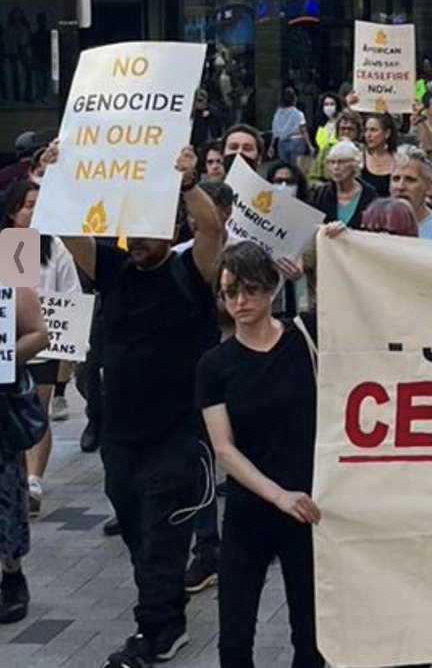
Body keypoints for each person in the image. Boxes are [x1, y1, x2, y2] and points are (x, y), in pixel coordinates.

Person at [45, 141, 224, 667]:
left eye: (151, 230)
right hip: (123, 439)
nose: (140, 241)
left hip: (178, 437)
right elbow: (72, 230)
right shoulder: (114, 268)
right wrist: (61, 176)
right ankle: (165, 613)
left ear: (173, 230)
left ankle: (157, 633)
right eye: (133, 230)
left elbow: (212, 230)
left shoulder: (191, 272)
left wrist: (189, 183)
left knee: (163, 538)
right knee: (140, 536)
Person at [197, 242, 321, 668]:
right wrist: (278, 495)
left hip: (309, 508)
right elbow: (224, 450)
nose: (239, 302)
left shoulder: (304, 339)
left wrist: (329, 247)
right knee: (233, 639)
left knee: (311, 634)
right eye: (229, 292)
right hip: (252, 509)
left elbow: (353, 306)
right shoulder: (215, 364)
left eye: (249, 289)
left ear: (271, 289)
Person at [1, 181, 81, 518]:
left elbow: (72, 292)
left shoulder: (56, 246)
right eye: (28, 205)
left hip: (45, 346)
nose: (33, 212)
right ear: (12, 211)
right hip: (9, 348)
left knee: (36, 411)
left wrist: (73, 348)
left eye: (38, 204)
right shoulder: (8, 246)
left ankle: (33, 480)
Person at [0, 286, 49, 623]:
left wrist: (4, 356)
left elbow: (39, 334)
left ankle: (11, 573)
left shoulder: (10, 272)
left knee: (5, 493)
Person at [310, 139, 378, 229]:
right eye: (332, 162)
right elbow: (311, 225)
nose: (335, 167)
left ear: (355, 164)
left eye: (341, 162)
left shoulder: (369, 195)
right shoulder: (321, 193)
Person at [270, 87, 311, 166]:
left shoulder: (277, 113)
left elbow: (274, 131)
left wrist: (271, 146)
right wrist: (310, 145)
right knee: (296, 167)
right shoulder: (298, 114)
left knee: (285, 167)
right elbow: (303, 130)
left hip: (282, 142)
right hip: (296, 140)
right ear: (294, 99)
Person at [360, 113, 397, 198]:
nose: (368, 135)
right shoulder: (358, 158)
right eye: (366, 130)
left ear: (387, 133)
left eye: (373, 130)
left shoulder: (398, 160)